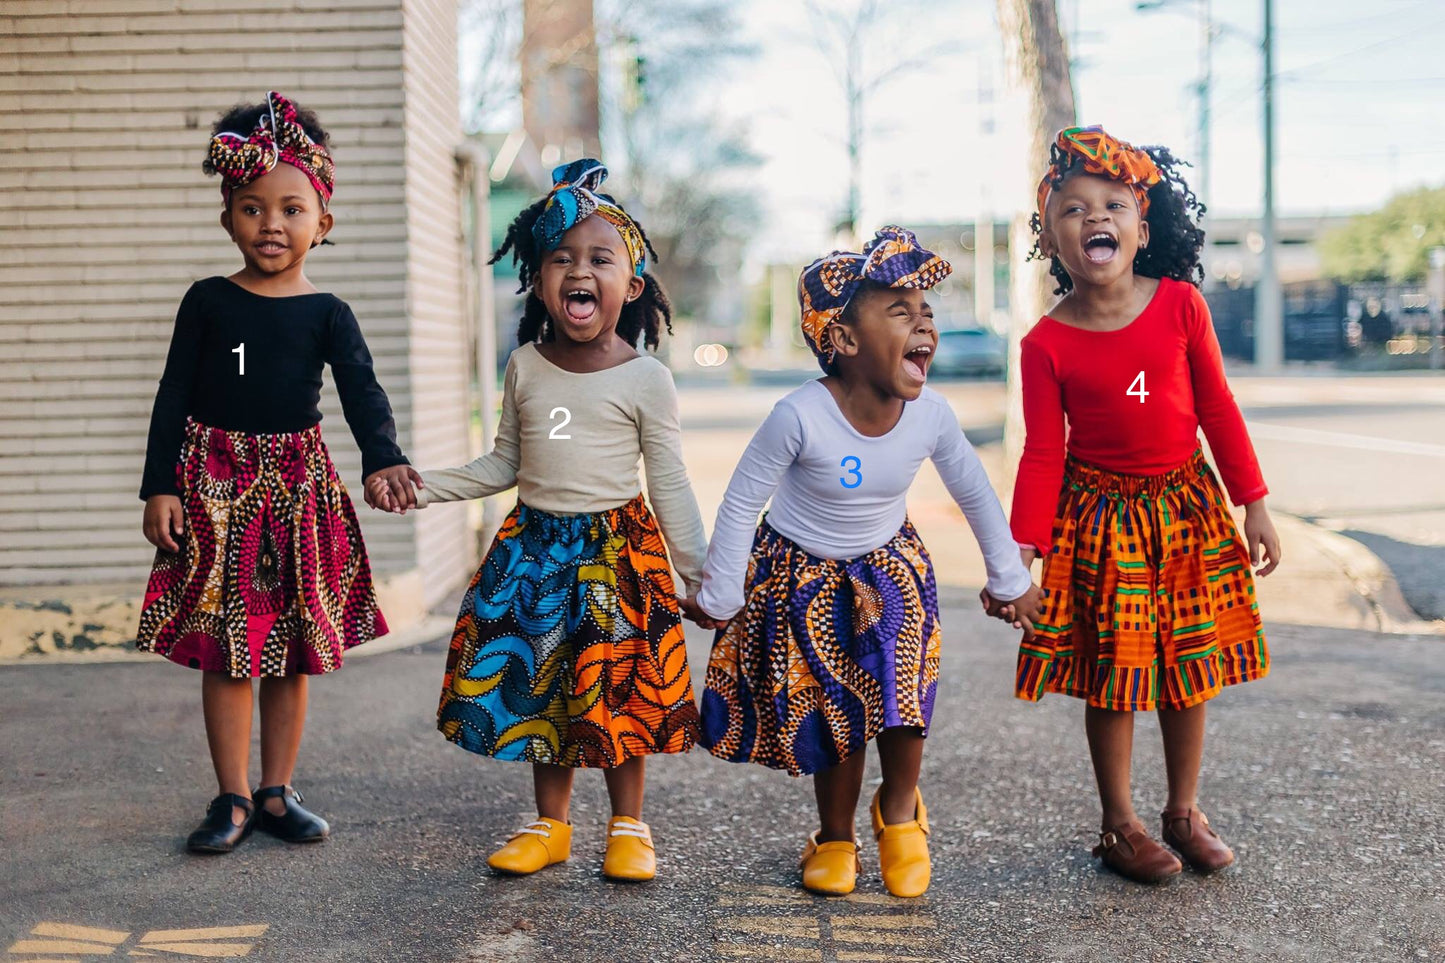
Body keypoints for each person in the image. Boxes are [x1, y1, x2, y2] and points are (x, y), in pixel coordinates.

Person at [682, 227, 1042, 898]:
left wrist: (1009, 578)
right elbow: (740, 501)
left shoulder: (931, 415)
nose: (923, 322)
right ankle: (837, 834)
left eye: (925, 310)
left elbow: (972, 491)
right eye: (899, 311)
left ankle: (900, 813)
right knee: (834, 708)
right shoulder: (797, 415)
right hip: (803, 572)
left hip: (889, 564)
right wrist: (721, 589)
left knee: (904, 694)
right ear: (844, 340)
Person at [382, 160, 708, 883]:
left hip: (615, 556)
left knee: (620, 692)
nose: (578, 271)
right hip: (534, 550)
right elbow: (503, 464)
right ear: (536, 278)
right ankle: (551, 825)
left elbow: (670, 480)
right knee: (545, 687)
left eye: (599, 258)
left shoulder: (646, 378)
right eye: (560, 258)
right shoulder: (525, 365)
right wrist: (422, 486)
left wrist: (702, 574)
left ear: (633, 283)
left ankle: (629, 825)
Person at [137, 92, 416, 854]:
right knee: (229, 645)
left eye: (291, 209)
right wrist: (159, 484)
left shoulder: (328, 312)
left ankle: (275, 791)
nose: (271, 223)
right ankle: (228, 796)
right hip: (215, 489)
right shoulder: (207, 303)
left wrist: (384, 457)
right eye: (253, 207)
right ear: (228, 215)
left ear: (321, 223)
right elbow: (173, 393)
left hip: (296, 488)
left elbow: (362, 390)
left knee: (287, 645)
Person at [1001, 125, 1282, 884]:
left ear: (1140, 227)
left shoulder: (1181, 307)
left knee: (1188, 671)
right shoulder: (1044, 344)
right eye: (1072, 209)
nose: (1095, 217)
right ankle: (1118, 823)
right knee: (1115, 676)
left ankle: (1181, 811)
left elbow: (1217, 409)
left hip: (1186, 509)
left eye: (1113, 205)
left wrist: (1251, 502)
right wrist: (1018, 550)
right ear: (1051, 239)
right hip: (1102, 520)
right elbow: (1042, 451)